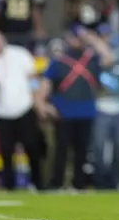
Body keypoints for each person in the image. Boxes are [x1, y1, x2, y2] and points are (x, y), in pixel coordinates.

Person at [34, 26, 112, 190]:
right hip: (64, 111)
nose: (77, 40)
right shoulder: (59, 60)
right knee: (61, 150)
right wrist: (42, 104)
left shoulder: (91, 59)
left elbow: (109, 58)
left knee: (81, 151)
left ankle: (79, 184)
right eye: (75, 37)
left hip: (86, 111)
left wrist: (92, 39)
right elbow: (46, 84)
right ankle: (57, 183)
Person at [0, 31, 44, 190]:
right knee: (6, 150)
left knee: (32, 146)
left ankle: (37, 182)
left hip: (24, 106)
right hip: (1, 111)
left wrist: (37, 100)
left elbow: (32, 78)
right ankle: (9, 184)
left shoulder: (20, 54)